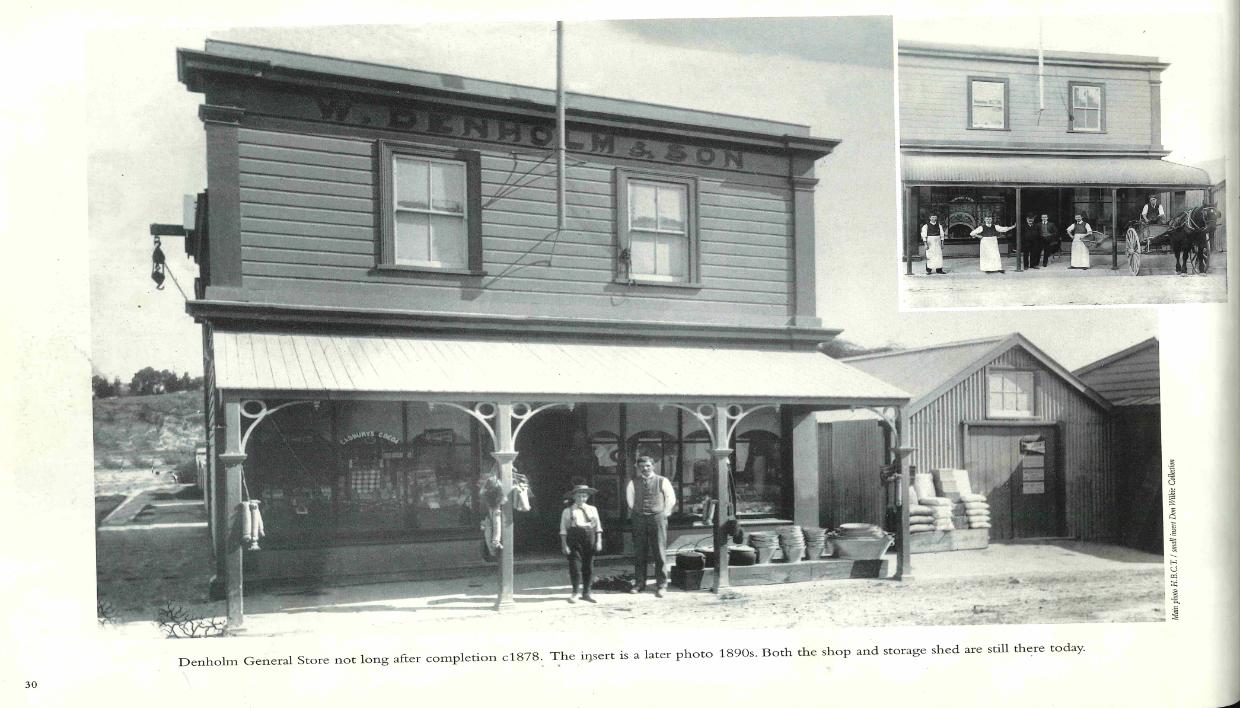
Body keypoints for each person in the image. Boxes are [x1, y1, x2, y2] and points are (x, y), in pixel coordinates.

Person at [624, 455, 676, 597]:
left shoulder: (662, 481)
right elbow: (630, 501)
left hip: (657, 518)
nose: (645, 469)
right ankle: (640, 583)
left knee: (659, 551)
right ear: (638, 468)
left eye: (647, 466)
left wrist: (663, 513)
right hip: (639, 518)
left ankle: (661, 584)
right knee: (639, 551)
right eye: (642, 466)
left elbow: (670, 499)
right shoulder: (633, 483)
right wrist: (639, 512)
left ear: (653, 466)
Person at [560, 483, 603, 604]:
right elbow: (563, 530)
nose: (581, 499)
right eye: (579, 496)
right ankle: (575, 592)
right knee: (575, 566)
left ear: (587, 497)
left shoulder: (592, 509)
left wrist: (599, 541)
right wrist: (564, 544)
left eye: (584, 496)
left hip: (590, 538)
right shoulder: (567, 511)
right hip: (574, 539)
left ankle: (587, 592)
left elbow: (598, 527)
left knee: (588, 566)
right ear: (574, 497)